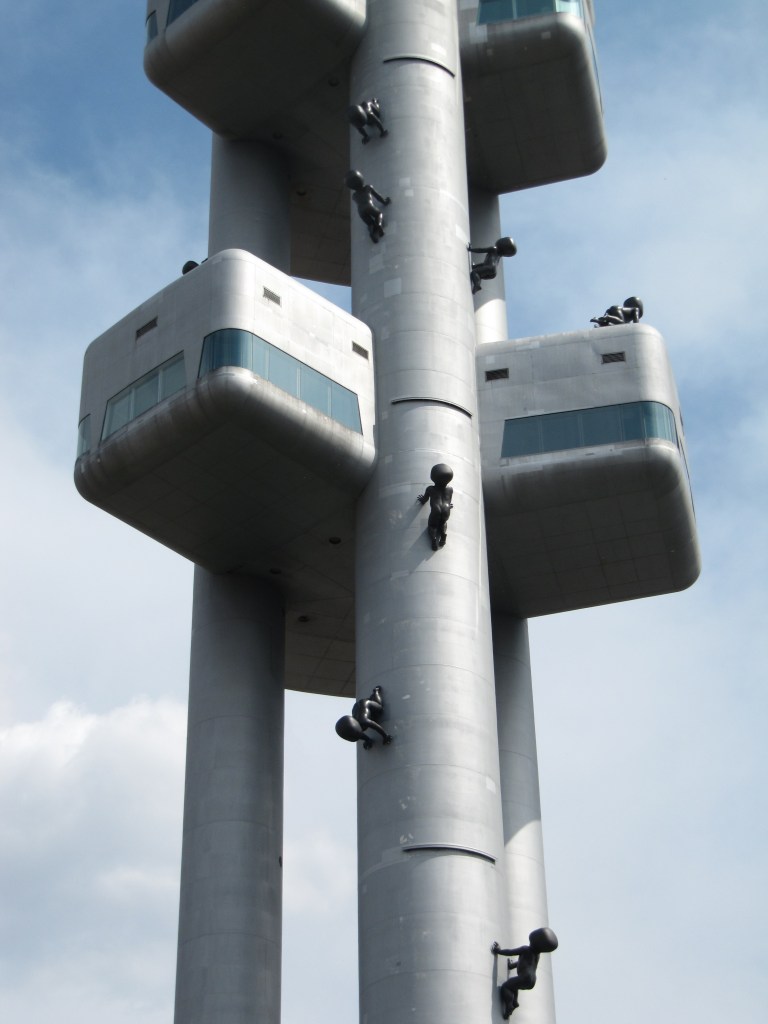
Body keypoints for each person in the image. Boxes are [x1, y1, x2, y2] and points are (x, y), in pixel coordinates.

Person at [491, 927, 558, 1019]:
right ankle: (515, 1001)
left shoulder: (525, 949)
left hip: (525, 977)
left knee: (506, 987)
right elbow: (525, 963)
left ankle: (509, 1005)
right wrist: (511, 966)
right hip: (532, 980)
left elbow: (510, 952)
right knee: (515, 985)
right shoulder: (537, 955)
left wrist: (498, 951)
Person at [345, 170, 391, 242]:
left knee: (370, 224)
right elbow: (378, 197)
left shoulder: (354, 196)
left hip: (360, 211)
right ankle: (379, 226)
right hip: (369, 206)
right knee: (379, 214)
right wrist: (385, 202)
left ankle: (372, 233)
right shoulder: (368, 187)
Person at [417, 464, 454, 550]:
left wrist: (422, 500)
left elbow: (424, 499)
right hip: (446, 508)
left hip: (436, 510)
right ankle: (443, 536)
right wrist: (448, 506)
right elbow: (449, 500)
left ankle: (433, 540)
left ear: (432, 477)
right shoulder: (450, 489)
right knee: (443, 522)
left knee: (432, 525)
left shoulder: (430, 489)